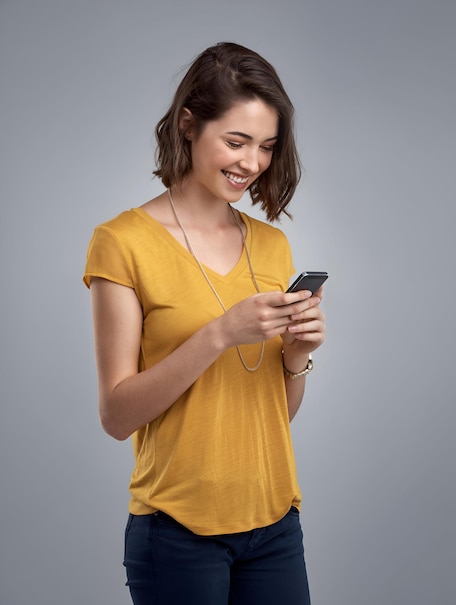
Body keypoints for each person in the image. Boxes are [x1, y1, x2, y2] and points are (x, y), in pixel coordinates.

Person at [83, 42, 325, 605]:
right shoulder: (122, 243)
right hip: (178, 530)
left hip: (274, 524)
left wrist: (296, 357)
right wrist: (219, 333)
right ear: (188, 126)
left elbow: (274, 414)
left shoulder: (272, 244)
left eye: (266, 146)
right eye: (236, 142)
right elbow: (117, 416)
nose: (252, 163)